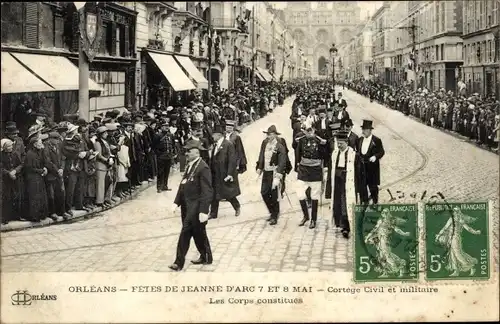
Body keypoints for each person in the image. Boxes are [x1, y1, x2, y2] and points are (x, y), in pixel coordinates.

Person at [169, 141, 213, 271]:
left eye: (189, 151)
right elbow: (183, 185)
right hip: (187, 206)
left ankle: (178, 262)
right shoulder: (190, 165)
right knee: (198, 233)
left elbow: (207, 191)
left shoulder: (203, 167)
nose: (186, 154)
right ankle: (206, 256)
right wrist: (176, 202)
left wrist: (204, 211)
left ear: (196, 152)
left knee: (185, 232)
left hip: (196, 206)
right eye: (186, 151)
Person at [294, 122, 328, 229]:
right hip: (304, 170)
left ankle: (313, 219)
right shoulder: (301, 141)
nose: (309, 132)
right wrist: (297, 167)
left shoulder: (319, 141)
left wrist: (325, 168)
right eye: (306, 130)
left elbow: (324, 155)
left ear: (314, 130)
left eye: (311, 130)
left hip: (315, 170)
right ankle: (305, 216)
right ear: (303, 130)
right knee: (299, 192)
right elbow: (297, 154)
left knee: (314, 195)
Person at [256, 125, 287, 226]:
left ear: (274, 134)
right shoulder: (264, 143)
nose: (268, 136)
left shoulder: (279, 144)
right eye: (267, 134)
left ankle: (275, 215)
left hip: (274, 172)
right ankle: (271, 211)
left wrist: (278, 175)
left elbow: (283, 160)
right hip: (266, 172)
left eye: (269, 134)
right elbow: (261, 155)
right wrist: (259, 167)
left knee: (274, 195)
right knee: (264, 192)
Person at [329, 130, 357, 238]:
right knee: (337, 202)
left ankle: (346, 227)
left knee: (345, 203)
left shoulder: (352, 155)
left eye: (341, 143)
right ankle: (339, 223)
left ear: (346, 142)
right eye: (338, 143)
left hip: (347, 181)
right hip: (337, 181)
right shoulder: (335, 153)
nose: (339, 145)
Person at [209, 124, 241, 219]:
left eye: (213, 135)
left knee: (228, 193)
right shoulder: (215, 145)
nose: (212, 136)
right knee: (214, 194)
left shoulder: (228, 144)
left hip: (224, 173)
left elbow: (232, 160)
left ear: (219, 135)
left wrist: (229, 174)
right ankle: (213, 213)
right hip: (215, 173)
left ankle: (237, 206)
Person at [356, 120, 385, 205]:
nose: (363, 131)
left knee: (373, 187)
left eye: (365, 130)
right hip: (362, 168)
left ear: (369, 130)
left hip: (372, 168)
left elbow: (382, 152)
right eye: (363, 129)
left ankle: (375, 203)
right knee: (362, 187)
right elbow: (358, 151)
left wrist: (375, 157)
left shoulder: (376, 140)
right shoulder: (359, 140)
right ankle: (363, 204)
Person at [153, 121, 177, 193]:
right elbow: (154, 146)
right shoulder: (158, 136)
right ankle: (159, 187)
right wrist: (159, 154)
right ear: (161, 127)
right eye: (164, 126)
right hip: (161, 156)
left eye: (167, 126)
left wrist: (172, 154)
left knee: (167, 172)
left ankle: (165, 186)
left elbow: (172, 145)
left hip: (168, 156)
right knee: (160, 172)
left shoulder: (170, 135)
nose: (166, 127)